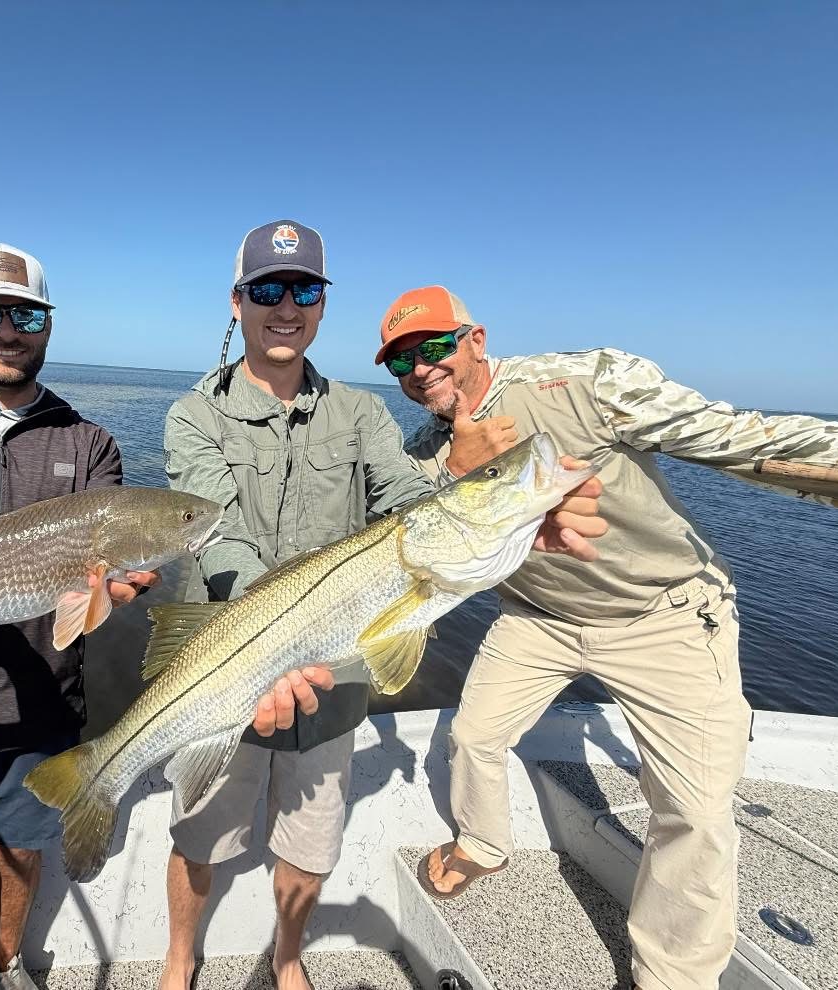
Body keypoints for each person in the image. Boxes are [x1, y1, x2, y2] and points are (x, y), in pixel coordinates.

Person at [0, 243, 329, 990]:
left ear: (47, 324)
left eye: (26, 313)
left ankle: (0, 962)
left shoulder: (91, 445)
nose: (7, 329)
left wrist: (104, 596)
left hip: (40, 714)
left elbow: (88, 607)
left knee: (21, 857)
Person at [159, 225, 606, 990]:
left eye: (305, 289)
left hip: (334, 679)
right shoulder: (192, 416)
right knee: (202, 833)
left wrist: (505, 512)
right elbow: (216, 533)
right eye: (268, 289)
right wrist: (268, 640)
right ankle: (179, 958)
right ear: (240, 303)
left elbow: (405, 504)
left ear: (322, 306)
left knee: (311, 842)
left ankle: (289, 957)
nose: (287, 306)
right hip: (224, 667)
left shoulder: (362, 416)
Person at [378, 285, 838, 990]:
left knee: (693, 814)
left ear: (475, 340)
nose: (420, 369)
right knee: (474, 735)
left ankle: (672, 977)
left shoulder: (588, 382)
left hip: (662, 616)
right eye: (400, 363)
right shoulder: (423, 454)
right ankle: (482, 844)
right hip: (537, 618)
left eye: (434, 347)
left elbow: (739, 438)